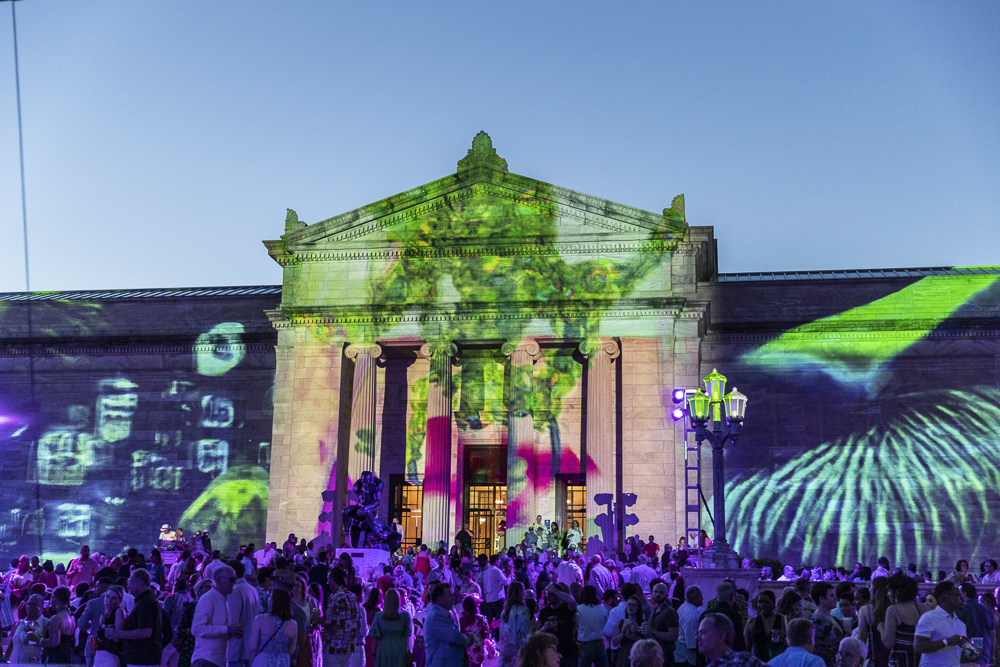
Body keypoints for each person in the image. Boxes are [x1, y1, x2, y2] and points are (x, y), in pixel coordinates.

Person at [191, 565, 241, 667]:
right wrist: (227, 629)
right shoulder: (208, 599)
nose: (234, 583)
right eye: (231, 579)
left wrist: (233, 632)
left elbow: (221, 632)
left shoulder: (224, 599)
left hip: (218, 660)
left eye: (235, 579)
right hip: (206, 660)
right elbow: (197, 629)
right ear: (219, 580)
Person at [914, 581, 968, 667]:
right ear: (948, 597)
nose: (962, 600)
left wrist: (971, 652)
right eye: (959, 596)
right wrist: (947, 641)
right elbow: (918, 646)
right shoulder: (929, 617)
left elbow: (955, 655)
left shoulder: (961, 624)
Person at [881, 573, 926, 667]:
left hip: (900, 661)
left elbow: (888, 643)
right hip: (920, 660)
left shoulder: (893, 610)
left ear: (897, 591)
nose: (888, 593)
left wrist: (881, 628)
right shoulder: (923, 608)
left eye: (890, 590)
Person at [321, 568, 361, 667]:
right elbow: (358, 625)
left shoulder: (335, 598)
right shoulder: (353, 597)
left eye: (328, 579)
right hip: (348, 647)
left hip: (334, 647)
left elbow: (335, 628)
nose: (327, 583)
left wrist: (319, 620)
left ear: (334, 579)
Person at [424, 583, 471, 666]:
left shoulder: (446, 613)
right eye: (449, 595)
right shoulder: (437, 615)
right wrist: (467, 639)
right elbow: (454, 636)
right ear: (440, 598)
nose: (453, 598)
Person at [248, 588, 297, 667]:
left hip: (262, 661)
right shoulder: (293, 624)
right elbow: (292, 649)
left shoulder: (260, 619)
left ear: (274, 601)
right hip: (282, 662)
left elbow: (253, 647)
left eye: (271, 597)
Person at [695, 613, 767, 667]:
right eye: (698, 633)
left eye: (703, 632)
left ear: (721, 636)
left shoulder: (742, 660)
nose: (697, 638)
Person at [228, 560, 262, 667]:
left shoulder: (234, 590)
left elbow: (233, 621)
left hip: (237, 647)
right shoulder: (252, 589)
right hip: (250, 643)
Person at [538, 584, 579, 667]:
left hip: (567, 651)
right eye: (548, 594)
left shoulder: (566, 608)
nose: (549, 597)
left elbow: (572, 602)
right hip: (550, 653)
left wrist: (555, 590)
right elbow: (538, 635)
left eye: (552, 595)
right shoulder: (544, 612)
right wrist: (544, 628)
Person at [367, 588, 410, 667]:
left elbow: (374, 638)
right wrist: (409, 652)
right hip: (400, 647)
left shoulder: (379, 616)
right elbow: (408, 637)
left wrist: (373, 654)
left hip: (384, 647)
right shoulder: (405, 615)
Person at [956, 582, 995, 663]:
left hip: (966, 653)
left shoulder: (960, 610)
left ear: (964, 594)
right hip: (985, 651)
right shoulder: (987, 610)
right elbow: (993, 634)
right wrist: (992, 654)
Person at [5, 593, 48, 665]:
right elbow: (12, 644)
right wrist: (5, 658)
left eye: (34, 604)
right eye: (29, 604)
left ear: (41, 607)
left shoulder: (46, 623)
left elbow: (50, 645)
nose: (30, 606)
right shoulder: (20, 623)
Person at [809, 582, 843, 667]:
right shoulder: (817, 620)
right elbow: (817, 648)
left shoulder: (830, 617)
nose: (836, 598)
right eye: (832, 595)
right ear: (821, 599)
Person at [745, 590, 785, 661]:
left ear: (774, 603)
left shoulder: (783, 620)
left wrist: (784, 639)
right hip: (757, 662)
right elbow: (747, 644)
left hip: (778, 661)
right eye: (760, 602)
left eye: (766, 602)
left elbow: (791, 642)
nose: (762, 605)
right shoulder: (752, 621)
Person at [500, 582, 534, 667]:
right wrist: (533, 626)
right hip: (518, 654)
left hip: (506, 652)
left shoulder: (505, 611)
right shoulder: (522, 611)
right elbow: (525, 635)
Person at [92, 585, 126, 667]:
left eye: (113, 598)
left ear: (119, 600)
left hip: (110, 654)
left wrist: (103, 625)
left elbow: (117, 637)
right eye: (107, 596)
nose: (109, 600)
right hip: (101, 653)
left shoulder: (118, 611)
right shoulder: (105, 612)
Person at [648, 582, 679, 667]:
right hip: (654, 655)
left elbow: (674, 636)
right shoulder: (654, 611)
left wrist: (654, 632)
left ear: (666, 595)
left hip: (665, 657)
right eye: (655, 592)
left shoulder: (670, 612)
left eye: (661, 592)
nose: (657, 594)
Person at [577, 585, 609, 667]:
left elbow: (575, 625)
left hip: (585, 644)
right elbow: (605, 623)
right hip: (600, 644)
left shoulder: (579, 609)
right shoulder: (601, 608)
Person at [612, 595, 646, 667]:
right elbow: (614, 642)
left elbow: (648, 642)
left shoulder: (643, 623)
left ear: (638, 608)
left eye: (634, 605)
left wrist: (636, 637)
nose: (630, 607)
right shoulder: (621, 622)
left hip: (639, 655)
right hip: (624, 655)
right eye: (629, 604)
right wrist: (622, 634)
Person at [675, 586, 704, 666]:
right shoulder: (692, 615)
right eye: (700, 597)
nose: (702, 599)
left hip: (679, 653)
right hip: (686, 658)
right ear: (694, 598)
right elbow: (691, 642)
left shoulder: (683, 607)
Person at [460, 595, 491, 667]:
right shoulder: (480, 619)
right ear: (475, 607)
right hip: (478, 654)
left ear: (464, 607)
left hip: (465, 655)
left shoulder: (461, 621)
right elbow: (487, 635)